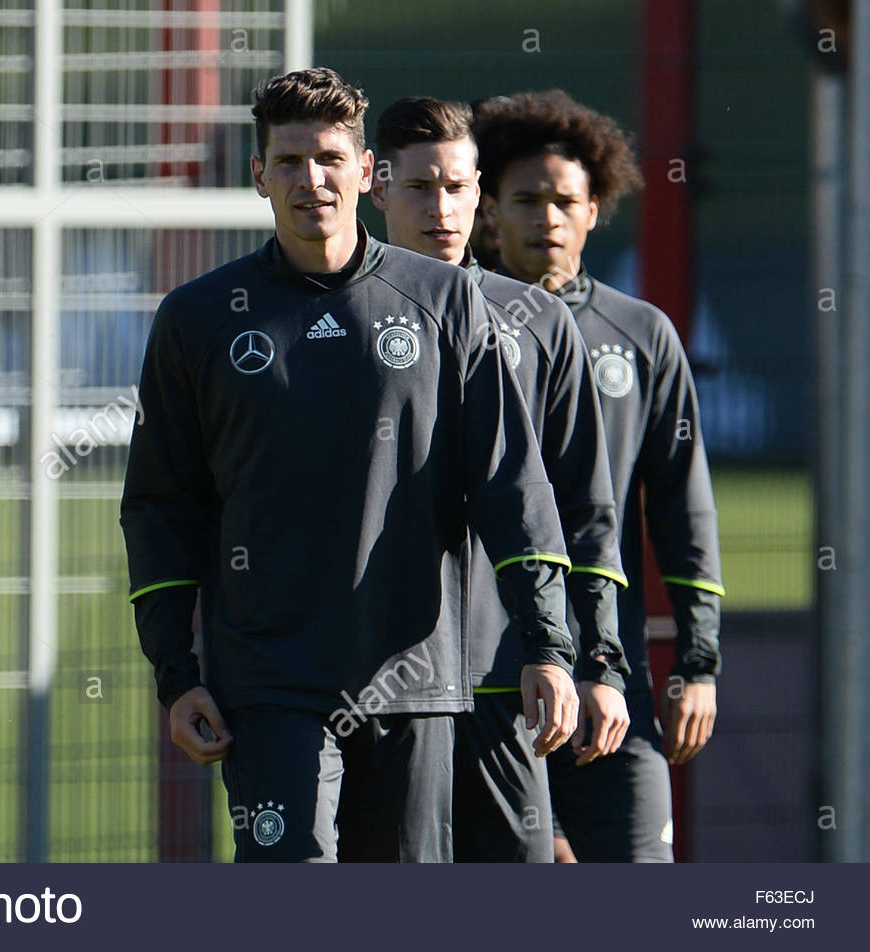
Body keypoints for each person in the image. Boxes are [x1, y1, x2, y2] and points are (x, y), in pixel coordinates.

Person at [121, 68, 578, 863]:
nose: (312, 180)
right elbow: (162, 506)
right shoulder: (197, 319)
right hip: (266, 684)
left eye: (331, 159)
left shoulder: (445, 301)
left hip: (414, 677)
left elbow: (508, 479)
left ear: (366, 173)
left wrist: (548, 643)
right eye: (289, 162)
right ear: (257, 175)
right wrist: (175, 672)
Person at [370, 96, 629, 862]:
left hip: (506, 676)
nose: (439, 208)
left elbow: (585, 508)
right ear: (375, 187)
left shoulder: (538, 323)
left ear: (478, 193)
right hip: (377, 688)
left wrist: (601, 663)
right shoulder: (338, 322)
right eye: (418, 187)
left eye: (455, 187)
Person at [473, 89, 724, 862]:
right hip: (489, 679)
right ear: (489, 211)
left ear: (594, 210)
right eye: (527, 199)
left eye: (565, 200)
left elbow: (683, 508)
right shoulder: (456, 322)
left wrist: (698, 661)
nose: (547, 216)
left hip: (613, 679)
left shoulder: (642, 335)